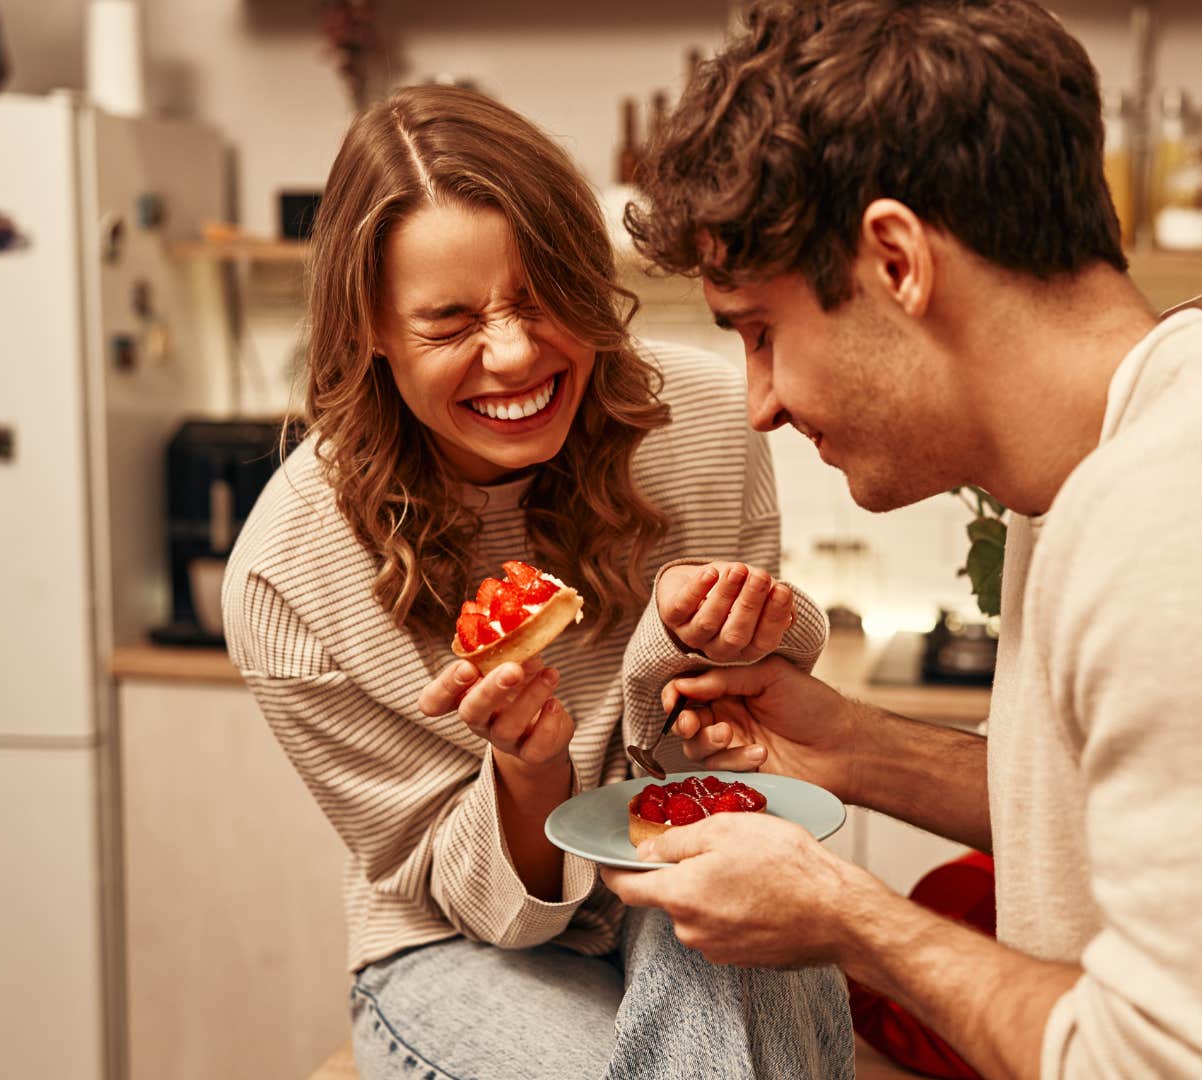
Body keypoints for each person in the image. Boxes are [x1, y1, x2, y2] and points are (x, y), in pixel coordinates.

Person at [606, 2, 1202, 1078]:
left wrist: (851, 919)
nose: (761, 404)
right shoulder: (1146, 436)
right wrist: (850, 746)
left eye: (761, 332)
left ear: (897, 262)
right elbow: (1158, 823)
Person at [221, 83, 853, 1080]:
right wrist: (528, 773)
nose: (513, 352)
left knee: (752, 931)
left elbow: (729, 769)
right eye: (449, 322)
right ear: (370, 330)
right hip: (451, 945)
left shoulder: (709, 425)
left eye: (539, 295)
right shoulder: (288, 578)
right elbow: (451, 891)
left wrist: (742, 634)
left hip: (675, 857)